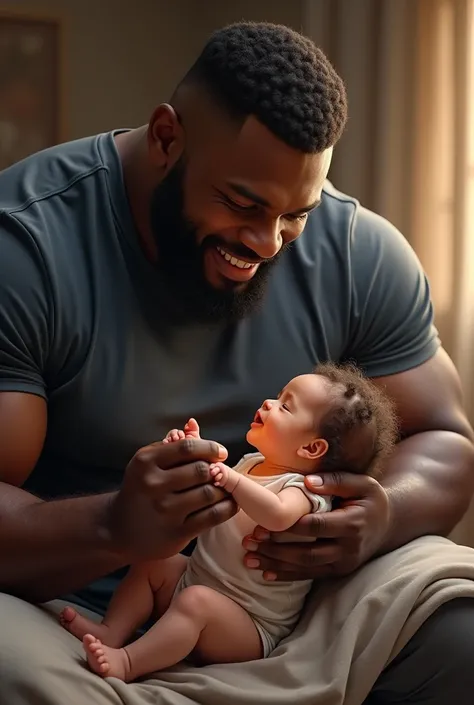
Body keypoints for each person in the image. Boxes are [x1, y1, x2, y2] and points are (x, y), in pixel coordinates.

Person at [0, 19, 473, 705]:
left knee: (461, 625)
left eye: (295, 215)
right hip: (67, 607)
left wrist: (380, 518)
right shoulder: (27, 249)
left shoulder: (358, 252)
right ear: (167, 137)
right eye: (242, 204)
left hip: (281, 611)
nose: (267, 243)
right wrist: (114, 525)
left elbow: (445, 437)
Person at [59, 365, 397, 681]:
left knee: (197, 603)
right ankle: (111, 632)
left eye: (286, 407)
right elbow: (213, 487)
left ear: (311, 448)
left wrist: (232, 482)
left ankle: (128, 663)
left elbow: (277, 515)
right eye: (278, 396)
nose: (268, 403)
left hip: (246, 627)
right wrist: (191, 450)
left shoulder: (303, 492)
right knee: (155, 562)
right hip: (195, 583)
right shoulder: (251, 464)